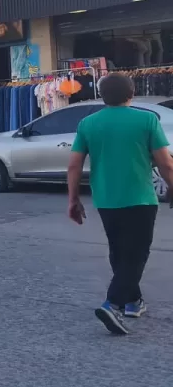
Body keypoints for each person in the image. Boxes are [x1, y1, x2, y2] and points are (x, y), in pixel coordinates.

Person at [67, 72, 173, 334]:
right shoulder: (147, 119)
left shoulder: (88, 123)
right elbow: (166, 163)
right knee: (136, 253)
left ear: (102, 96)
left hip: (106, 199)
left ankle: (133, 301)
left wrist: (73, 199)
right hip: (140, 198)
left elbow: (74, 165)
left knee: (120, 251)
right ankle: (112, 303)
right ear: (132, 92)